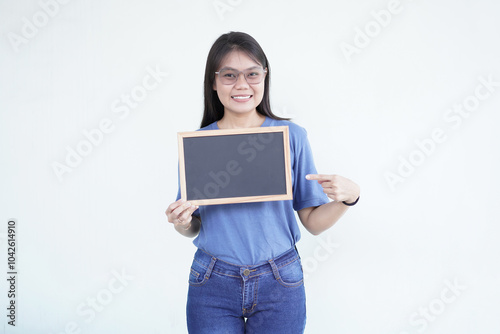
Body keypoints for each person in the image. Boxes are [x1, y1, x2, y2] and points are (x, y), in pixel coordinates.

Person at [166, 31, 360, 334]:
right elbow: (193, 225)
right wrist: (181, 222)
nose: (242, 84)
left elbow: (312, 221)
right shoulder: (198, 145)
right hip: (212, 281)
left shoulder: (292, 137)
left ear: (264, 78)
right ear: (213, 82)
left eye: (252, 74)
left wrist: (349, 198)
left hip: (280, 280)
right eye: (229, 75)